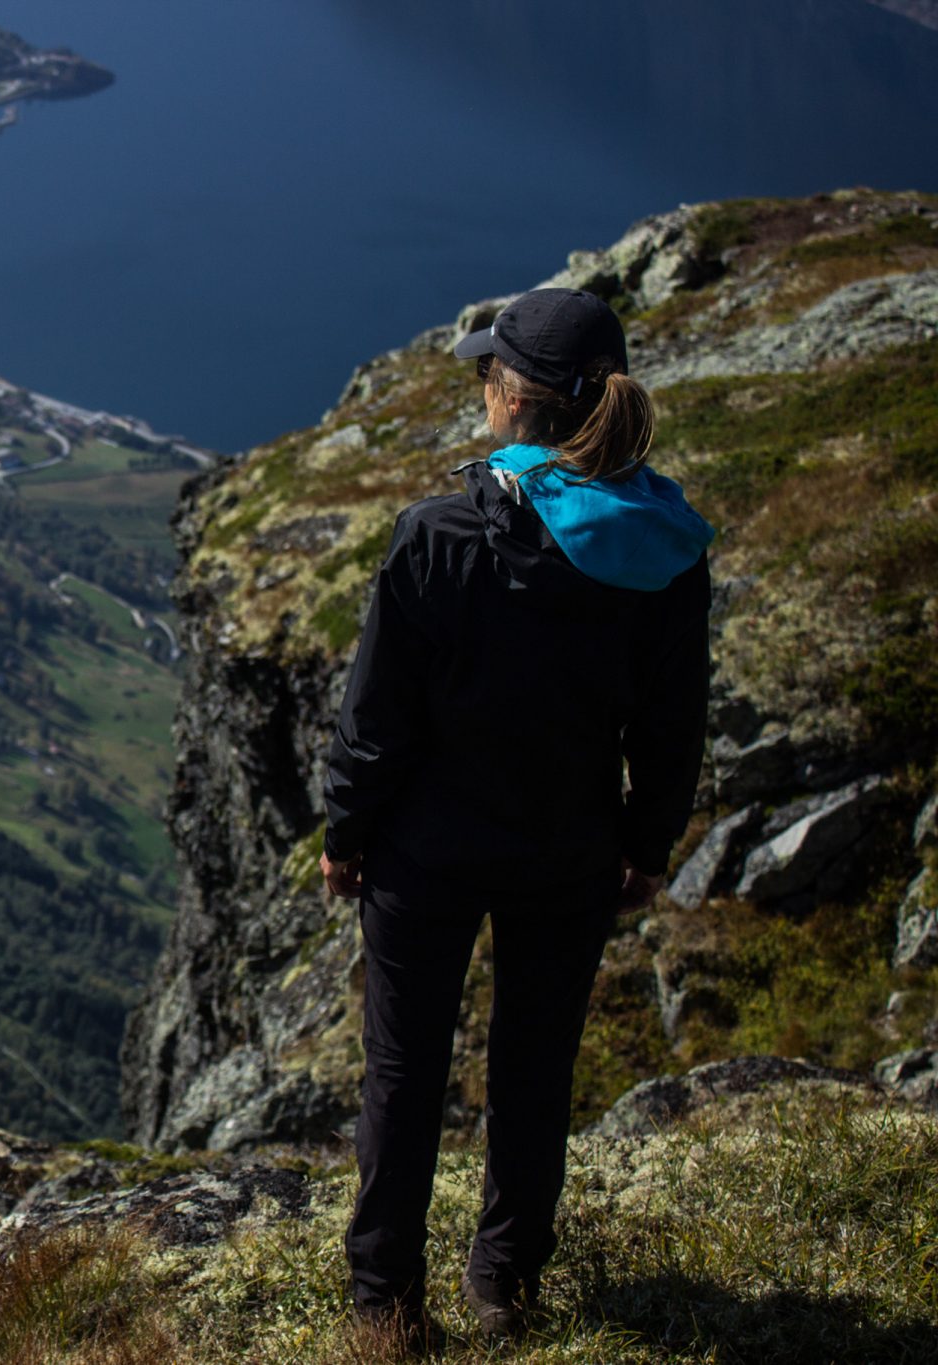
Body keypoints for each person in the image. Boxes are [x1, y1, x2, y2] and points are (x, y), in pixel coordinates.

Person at [316, 287, 714, 1349]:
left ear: (507, 397)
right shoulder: (664, 552)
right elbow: (670, 732)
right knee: (534, 1070)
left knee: (402, 1075)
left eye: (487, 371)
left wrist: (343, 837)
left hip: (425, 852)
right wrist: (642, 847)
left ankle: (385, 1308)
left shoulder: (437, 536)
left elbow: (375, 723)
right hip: (568, 852)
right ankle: (503, 1288)